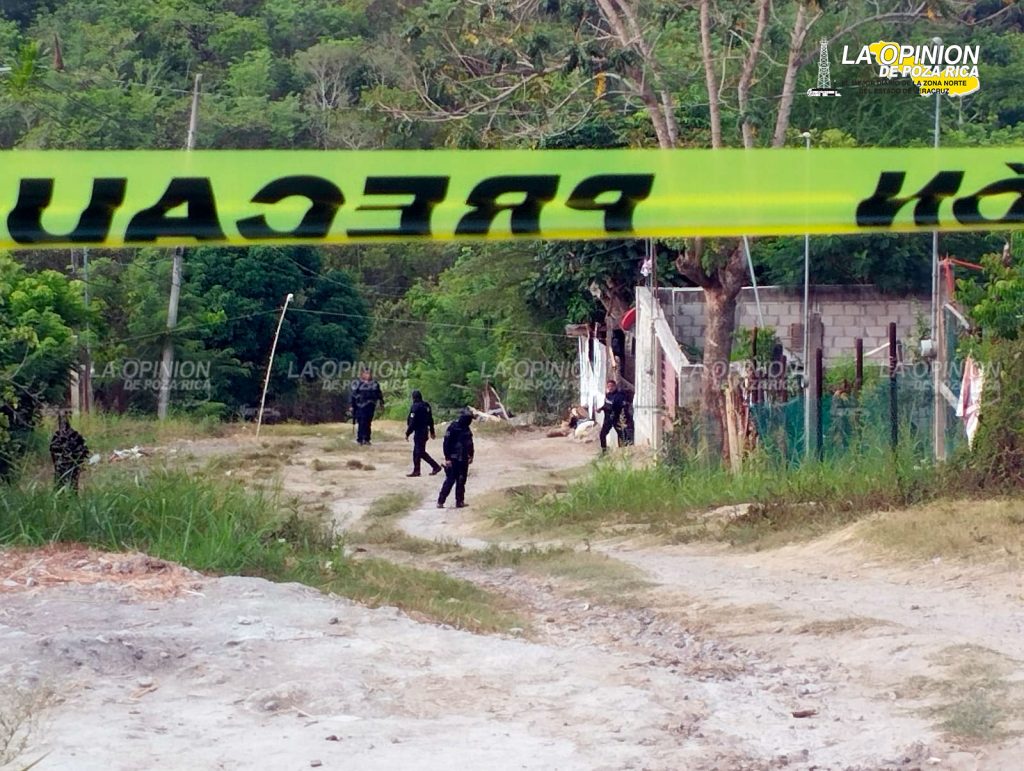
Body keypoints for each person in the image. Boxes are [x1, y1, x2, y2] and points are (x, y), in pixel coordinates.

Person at [437, 408, 474, 509]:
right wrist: (447, 458)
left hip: (464, 459)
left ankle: (460, 501)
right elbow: (446, 443)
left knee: (461, 481)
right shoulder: (453, 428)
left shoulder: (467, 429)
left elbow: (470, 443)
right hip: (453, 459)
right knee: (450, 480)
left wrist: (471, 455)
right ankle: (440, 501)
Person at [405, 389, 442, 477]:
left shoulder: (415, 407)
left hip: (419, 432)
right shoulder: (426, 406)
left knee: (420, 452)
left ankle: (435, 466)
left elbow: (412, 421)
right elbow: (430, 419)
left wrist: (407, 433)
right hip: (425, 431)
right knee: (416, 452)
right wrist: (432, 431)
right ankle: (416, 470)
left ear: (413, 398)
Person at [50, 413, 89, 492]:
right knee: (67, 484)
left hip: (68, 467)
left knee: (68, 484)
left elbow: (83, 451)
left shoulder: (74, 436)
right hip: (66, 467)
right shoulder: (59, 437)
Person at [350, 368, 384, 445]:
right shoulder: (358, 383)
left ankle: (367, 438)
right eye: (366, 373)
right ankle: (360, 439)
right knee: (361, 422)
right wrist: (352, 405)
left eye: (369, 373)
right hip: (360, 406)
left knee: (368, 422)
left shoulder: (374, 384)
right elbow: (353, 395)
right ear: (362, 374)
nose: (368, 375)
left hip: (370, 406)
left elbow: (379, 394)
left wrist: (381, 403)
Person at [596, 378, 630, 452]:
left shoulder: (619, 396)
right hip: (608, 419)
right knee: (602, 435)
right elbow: (606, 405)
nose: (610, 388)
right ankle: (604, 451)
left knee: (622, 435)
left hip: (616, 418)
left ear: (615, 386)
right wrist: (600, 409)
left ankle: (625, 451)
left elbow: (620, 406)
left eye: (612, 386)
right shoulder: (607, 396)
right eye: (608, 386)